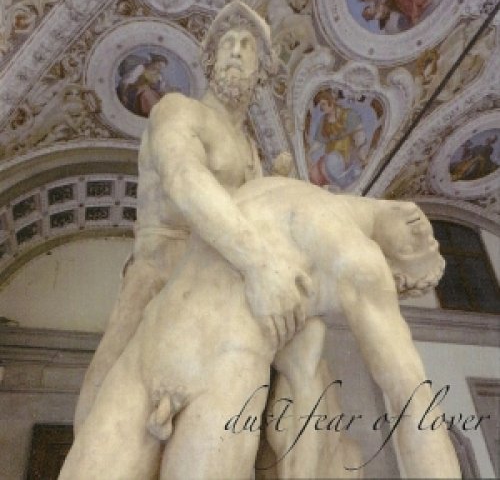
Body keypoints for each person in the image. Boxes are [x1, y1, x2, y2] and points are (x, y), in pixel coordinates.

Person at [60, 177, 460, 479]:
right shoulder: (272, 180)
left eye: (418, 253)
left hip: (222, 380)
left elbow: (413, 399)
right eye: (432, 243)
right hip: (148, 353)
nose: (427, 235)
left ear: (393, 277)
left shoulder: (359, 265)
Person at [74, 1, 312, 434]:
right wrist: (260, 263)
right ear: (210, 61)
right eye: (227, 44)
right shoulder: (177, 110)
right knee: (105, 420)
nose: (236, 51)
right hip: (160, 276)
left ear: (263, 71)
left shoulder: (253, 153)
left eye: (247, 46)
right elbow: (185, 182)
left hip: (221, 293)